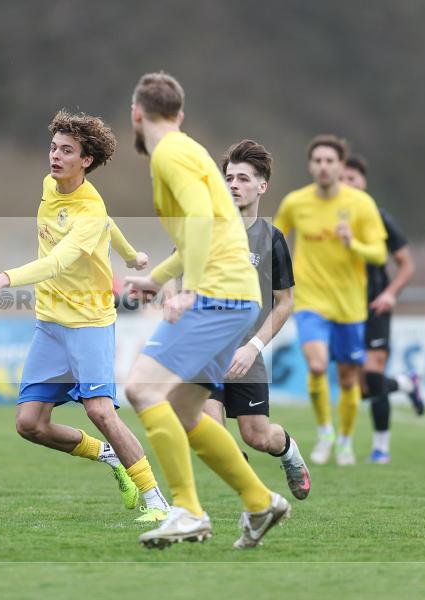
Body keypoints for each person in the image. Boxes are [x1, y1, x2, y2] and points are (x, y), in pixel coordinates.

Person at [0, 110, 170, 522]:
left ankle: (157, 502)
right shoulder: (50, 186)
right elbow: (110, 225)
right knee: (29, 424)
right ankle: (108, 456)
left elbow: (57, 261)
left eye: (66, 151)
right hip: (50, 326)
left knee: (100, 412)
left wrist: (3, 278)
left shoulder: (89, 211)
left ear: (86, 160)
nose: (55, 157)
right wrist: (131, 255)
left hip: (88, 325)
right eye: (53, 148)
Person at [123, 72, 290, 550]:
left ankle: (188, 512)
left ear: (136, 113)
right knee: (185, 409)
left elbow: (198, 219)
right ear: (179, 114)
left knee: (142, 388)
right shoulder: (188, 149)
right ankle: (260, 501)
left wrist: (190, 290)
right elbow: (211, 228)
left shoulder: (169, 154)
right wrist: (158, 279)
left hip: (218, 295)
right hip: (236, 295)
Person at [201, 139, 310, 500]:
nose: (233, 184)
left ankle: (290, 453)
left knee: (258, 436)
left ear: (262, 186)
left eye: (243, 178)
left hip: (246, 353)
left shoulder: (271, 240)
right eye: (229, 177)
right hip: (205, 350)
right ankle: (253, 494)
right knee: (210, 431)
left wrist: (253, 347)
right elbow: (174, 271)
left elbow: (285, 303)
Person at [274, 135, 388, 466]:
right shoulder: (295, 202)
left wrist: (354, 244)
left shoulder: (361, 204)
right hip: (310, 299)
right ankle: (325, 432)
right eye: (318, 161)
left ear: (341, 166)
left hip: (349, 305)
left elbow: (379, 254)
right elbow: (273, 239)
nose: (323, 166)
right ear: (310, 166)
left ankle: (346, 440)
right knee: (317, 365)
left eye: (330, 161)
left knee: (350, 379)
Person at [342, 154, 424, 464]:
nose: (347, 184)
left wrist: (390, 294)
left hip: (375, 305)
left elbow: (407, 264)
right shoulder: (330, 217)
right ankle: (405, 383)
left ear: (363, 182)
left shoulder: (377, 216)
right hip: (343, 307)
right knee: (359, 387)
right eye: (342, 179)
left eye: (352, 178)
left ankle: (381, 449)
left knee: (374, 377)